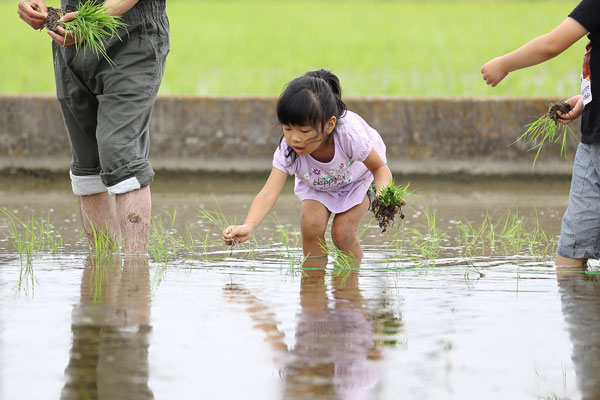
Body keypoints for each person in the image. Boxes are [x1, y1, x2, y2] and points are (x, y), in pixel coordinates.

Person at [17, 0, 169, 254]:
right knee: (86, 161)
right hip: (71, 32)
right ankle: (102, 272)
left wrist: (95, 19)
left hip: (131, 35)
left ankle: (135, 276)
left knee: (119, 151)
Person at [221, 69, 402, 261]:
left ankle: (349, 288)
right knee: (310, 225)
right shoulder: (288, 150)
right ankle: (313, 286)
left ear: (329, 125)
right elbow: (269, 192)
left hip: (358, 180)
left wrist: (384, 197)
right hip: (318, 184)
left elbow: (380, 169)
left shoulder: (348, 136)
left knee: (343, 233)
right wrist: (248, 226)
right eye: (288, 128)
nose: (295, 138)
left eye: (305, 131)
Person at [481, 0, 599, 267]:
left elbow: (552, 45)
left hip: (596, 145)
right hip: (593, 144)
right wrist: (585, 99)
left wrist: (503, 64)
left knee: (570, 255)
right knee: (570, 252)